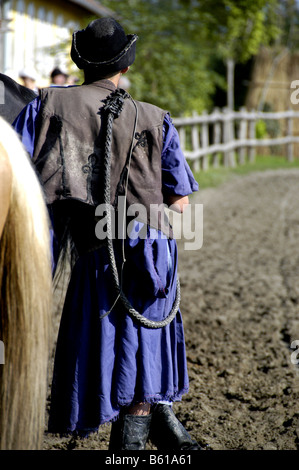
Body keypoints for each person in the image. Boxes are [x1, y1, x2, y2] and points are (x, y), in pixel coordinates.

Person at [14, 18, 201, 451]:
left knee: (105, 349)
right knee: (145, 353)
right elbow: (181, 206)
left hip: (96, 256)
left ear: (80, 64)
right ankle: (135, 443)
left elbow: (17, 181)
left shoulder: (44, 107)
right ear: (126, 67)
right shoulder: (156, 118)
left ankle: (140, 436)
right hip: (150, 253)